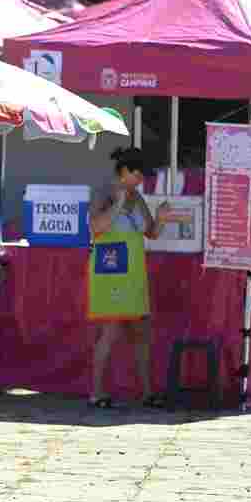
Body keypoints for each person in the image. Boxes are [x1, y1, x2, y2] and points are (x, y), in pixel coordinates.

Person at [88, 147, 170, 409]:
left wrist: (162, 219)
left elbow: (151, 233)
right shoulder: (104, 193)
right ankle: (96, 393)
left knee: (141, 332)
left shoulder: (139, 198)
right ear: (124, 172)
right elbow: (95, 228)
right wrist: (119, 204)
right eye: (138, 174)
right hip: (110, 270)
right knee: (110, 331)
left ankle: (147, 393)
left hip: (134, 272)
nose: (141, 180)